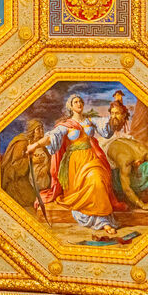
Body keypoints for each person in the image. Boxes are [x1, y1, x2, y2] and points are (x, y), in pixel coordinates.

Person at [25, 95, 123, 239]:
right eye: (75, 102)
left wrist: (114, 119)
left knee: (98, 179)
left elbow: (107, 126)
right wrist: (35, 145)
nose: (79, 103)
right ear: (70, 106)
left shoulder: (90, 121)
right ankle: (100, 220)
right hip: (75, 164)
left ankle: (103, 219)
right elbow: (51, 137)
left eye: (80, 101)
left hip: (91, 158)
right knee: (92, 183)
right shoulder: (66, 125)